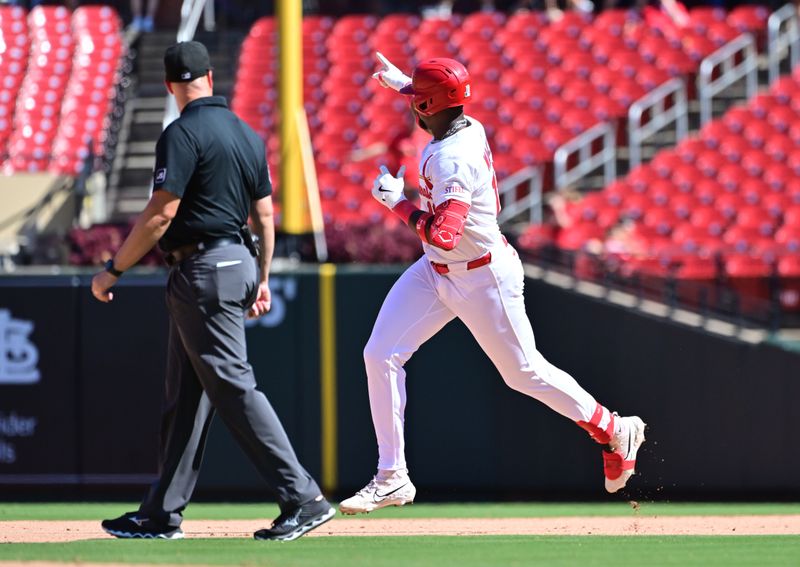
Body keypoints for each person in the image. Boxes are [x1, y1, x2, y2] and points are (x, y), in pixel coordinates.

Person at [339, 54, 647, 515]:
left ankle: (611, 427)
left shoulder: (453, 157)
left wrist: (397, 204)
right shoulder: (464, 124)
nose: (411, 107)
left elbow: (445, 231)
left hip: (482, 275)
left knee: (523, 372)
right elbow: (442, 106)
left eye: (415, 101)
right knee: (379, 353)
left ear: (428, 105)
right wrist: (406, 83)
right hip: (438, 269)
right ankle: (392, 477)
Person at [91, 41, 334, 541]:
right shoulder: (246, 134)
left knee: (233, 386)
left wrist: (112, 269)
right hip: (236, 262)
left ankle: (303, 496)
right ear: (209, 77)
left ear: (169, 85)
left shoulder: (180, 133)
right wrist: (262, 277)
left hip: (203, 270)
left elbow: (161, 214)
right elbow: (265, 215)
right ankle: (160, 513)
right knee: (185, 398)